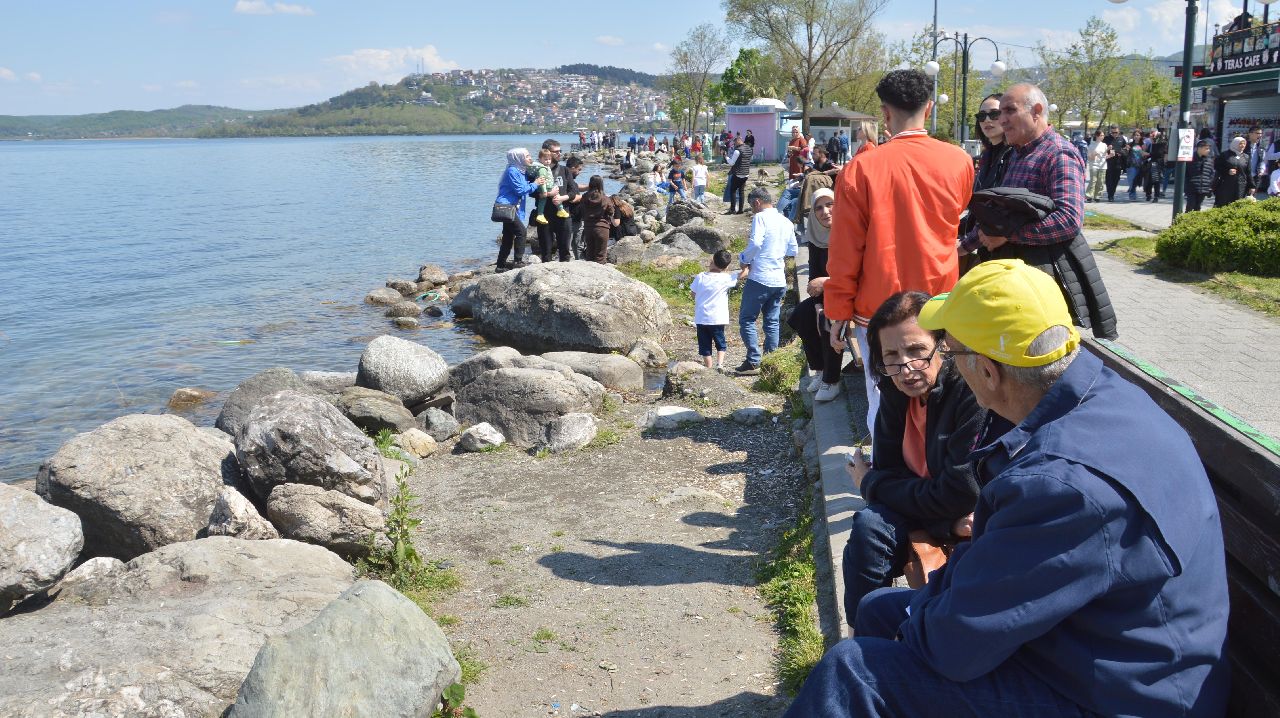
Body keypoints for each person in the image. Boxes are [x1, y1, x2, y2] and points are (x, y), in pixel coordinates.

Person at [785, 258, 1230, 718]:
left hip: (1122, 695)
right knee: (879, 608)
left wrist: (920, 625)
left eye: (953, 354)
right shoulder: (1105, 398)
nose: (949, 367)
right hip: (1106, 643)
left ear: (989, 371)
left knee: (853, 669)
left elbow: (953, 645)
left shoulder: (1060, 486)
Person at [825, 69, 974, 436]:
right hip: (938, 302)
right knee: (937, 391)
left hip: (877, 307)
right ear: (928, 107)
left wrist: (837, 312)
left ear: (885, 113)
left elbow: (845, 250)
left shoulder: (860, 169)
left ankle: (886, 478)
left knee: (884, 401)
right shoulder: (959, 161)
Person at [840, 289, 999, 627]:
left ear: (942, 345)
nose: (906, 368)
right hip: (941, 515)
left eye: (916, 351)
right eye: (891, 355)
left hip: (975, 521)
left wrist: (868, 482)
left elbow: (961, 492)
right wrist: (941, 519)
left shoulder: (969, 394)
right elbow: (889, 471)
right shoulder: (895, 392)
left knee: (874, 515)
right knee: (868, 527)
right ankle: (864, 640)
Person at [964, 83, 1117, 341]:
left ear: (1036, 111)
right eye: (999, 112)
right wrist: (965, 245)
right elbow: (1001, 216)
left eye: (1009, 111)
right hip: (1016, 278)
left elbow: (1068, 220)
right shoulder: (1015, 154)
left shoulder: (1058, 153)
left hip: (1042, 281)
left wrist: (1009, 236)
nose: (1001, 119)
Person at [788, 189, 843, 401]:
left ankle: (832, 380)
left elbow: (860, 274)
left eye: (830, 204)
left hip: (851, 292)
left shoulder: (849, 233)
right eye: (819, 207)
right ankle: (820, 369)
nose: (825, 211)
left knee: (828, 318)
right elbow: (813, 275)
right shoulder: (816, 235)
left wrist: (827, 284)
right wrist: (817, 302)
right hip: (828, 292)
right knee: (801, 315)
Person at [735, 186, 796, 375]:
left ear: (757, 202)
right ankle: (770, 361)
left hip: (760, 277)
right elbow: (793, 250)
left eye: (752, 206)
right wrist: (776, 253)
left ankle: (753, 361)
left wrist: (744, 259)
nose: (753, 209)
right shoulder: (786, 221)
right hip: (779, 280)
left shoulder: (760, 217)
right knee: (772, 321)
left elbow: (755, 243)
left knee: (747, 319)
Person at [493, 147, 543, 270]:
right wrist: (536, 183)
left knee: (508, 237)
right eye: (526, 156)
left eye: (529, 155)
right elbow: (520, 190)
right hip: (507, 206)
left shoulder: (521, 170)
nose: (529, 158)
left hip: (514, 207)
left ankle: (500, 265)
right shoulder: (512, 170)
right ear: (518, 158)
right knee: (521, 232)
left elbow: (525, 186)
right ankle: (518, 261)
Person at [690, 249, 738, 370]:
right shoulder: (726, 278)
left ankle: (709, 367)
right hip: (718, 318)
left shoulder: (700, 277)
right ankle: (720, 364)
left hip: (701, 318)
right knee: (720, 342)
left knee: (704, 346)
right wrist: (747, 268)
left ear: (712, 261)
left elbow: (693, 293)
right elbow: (742, 274)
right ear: (726, 266)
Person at [578, 175, 618, 264]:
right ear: (601, 184)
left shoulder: (585, 197)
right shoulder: (605, 198)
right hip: (602, 227)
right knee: (600, 255)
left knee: (589, 253)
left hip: (588, 227)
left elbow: (581, 209)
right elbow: (611, 212)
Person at [1215, 135, 1252, 207]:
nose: (1243, 145)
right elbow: (1217, 167)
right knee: (1224, 206)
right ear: (1235, 143)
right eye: (1240, 143)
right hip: (1226, 185)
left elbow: (1248, 172)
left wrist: (1252, 186)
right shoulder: (1225, 155)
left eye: (1244, 143)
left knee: (1238, 206)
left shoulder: (1246, 157)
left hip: (1240, 186)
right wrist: (1227, 171)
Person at [724, 135, 752, 215]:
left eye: (734, 143)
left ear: (737, 141)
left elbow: (732, 163)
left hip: (738, 173)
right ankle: (740, 210)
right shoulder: (749, 149)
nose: (734, 145)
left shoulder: (737, 151)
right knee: (741, 192)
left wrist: (726, 157)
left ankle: (732, 209)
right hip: (746, 173)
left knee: (732, 190)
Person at [1186, 139, 1215, 212]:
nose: (1208, 150)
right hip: (1192, 187)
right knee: (1190, 206)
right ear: (1199, 148)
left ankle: (1195, 223)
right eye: (1206, 149)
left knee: (1198, 207)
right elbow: (1186, 173)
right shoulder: (1191, 159)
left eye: (1209, 149)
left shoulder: (1209, 160)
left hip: (1203, 188)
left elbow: (1211, 174)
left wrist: (1209, 186)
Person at [1144, 129, 1167, 202]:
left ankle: (1156, 196)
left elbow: (1159, 154)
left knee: (1156, 180)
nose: (1151, 136)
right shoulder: (1151, 144)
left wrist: (1148, 154)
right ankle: (1148, 195)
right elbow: (1148, 152)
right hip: (1150, 163)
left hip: (1157, 164)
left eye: (1152, 134)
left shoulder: (1161, 144)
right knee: (1149, 180)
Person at [1246, 125, 1269, 197]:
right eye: (1257, 133)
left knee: (1252, 197)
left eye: (1261, 134)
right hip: (1244, 175)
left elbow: (1263, 160)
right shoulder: (1244, 145)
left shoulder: (1261, 146)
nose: (1260, 135)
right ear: (1250, 134)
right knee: (1241, 196)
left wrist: (1262, 169)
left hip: (1256, 176)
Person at [1085, 130, 1108, 202]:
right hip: (1094, 165)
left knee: (1101, 181)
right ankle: (1089, 196)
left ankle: (1097, 196)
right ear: (1097, 136)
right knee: (1093, 180)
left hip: (1103, 165)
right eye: (1101, 135)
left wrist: (1110, 155)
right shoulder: (1092, 145)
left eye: (1103, 135)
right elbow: (1089, 157)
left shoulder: (1104, 145)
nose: (1103, 137)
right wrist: (1094, 155)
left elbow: (1105, 156)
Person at [1126, 129, 1146, 200]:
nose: (1136, 136)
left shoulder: (1143, 145)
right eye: (1135, 135)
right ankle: (1132, 195)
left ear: (1140, 136)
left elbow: (1144, 155)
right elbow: (1126, 154)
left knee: (1137, 181)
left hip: (1140, 165)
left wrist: (1144, 153)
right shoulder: (1130, 144)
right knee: (1132, 180)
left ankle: (1132, 191)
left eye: (1138, 135)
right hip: (1132, 165)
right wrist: (1127, 150)